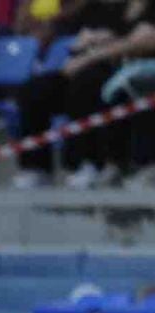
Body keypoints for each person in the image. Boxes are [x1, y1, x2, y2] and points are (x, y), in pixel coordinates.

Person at [13, 0, 155, 189]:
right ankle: (36, 168)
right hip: (87, 65)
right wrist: (87, 40)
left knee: (86, 84)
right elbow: (79, 37)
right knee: (34, 90)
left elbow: (145, 41)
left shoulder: (150, 10)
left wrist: (102, 48)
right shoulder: (103, 7)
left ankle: (89, 163)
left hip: (129, 72)